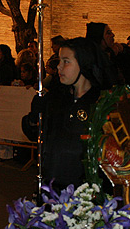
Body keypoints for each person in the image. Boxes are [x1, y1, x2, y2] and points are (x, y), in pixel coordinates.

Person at [22, 37, 103, 192]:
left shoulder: (100, 102)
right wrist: (34, 118)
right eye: (60, 61)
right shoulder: (55, 98)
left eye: (66, 61)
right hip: (52, 185)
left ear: (83, 64)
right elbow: (38, 136)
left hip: (85, 191)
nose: (59, 67)